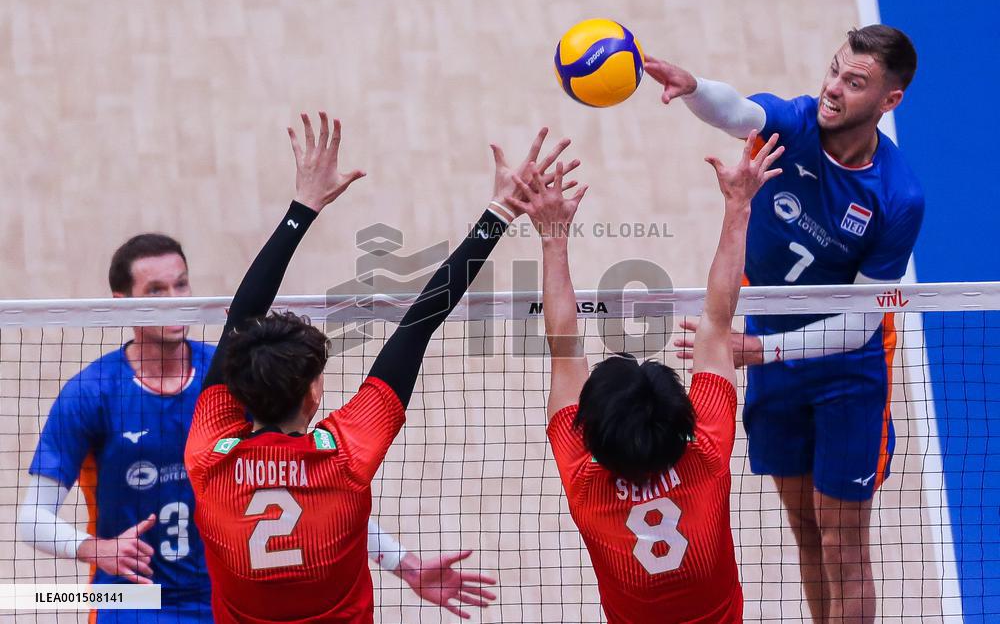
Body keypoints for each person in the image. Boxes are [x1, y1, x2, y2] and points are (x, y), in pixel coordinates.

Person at [184, 113, 580, 622]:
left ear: (237, 388)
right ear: (312, 394)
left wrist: (301, 208)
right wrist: (499, 211)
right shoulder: (347, 457)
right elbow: (418, 325)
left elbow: (241, 320)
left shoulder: (208, 459)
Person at [18, 233, 495, 622]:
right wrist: (90, 547)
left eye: (181, 285)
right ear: (121, 303)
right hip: (135, 603)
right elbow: (30, 518)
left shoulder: (226, 384)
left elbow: (310, 502)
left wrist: (401, 561)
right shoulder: (91, 394)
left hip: (226, 596)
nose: (175, 301)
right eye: (156, 291)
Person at [645, 24, 923, 622]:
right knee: (804, 530)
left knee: (843, 545)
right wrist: (692, 87)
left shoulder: (897, 197)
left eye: (855, 83)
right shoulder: (794, 125)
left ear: (889, 100)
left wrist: (761, 351)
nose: (832, 89)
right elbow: (738, 110)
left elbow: (860, 327)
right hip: (769, 354)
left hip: (846, 372)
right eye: (834, 70)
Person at [509, 132, 784, 623]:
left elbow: (564, 349)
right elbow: (717, 323)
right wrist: (738, 206)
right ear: (683, 422)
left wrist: (552, 236)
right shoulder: (706, 457)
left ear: (588, 432)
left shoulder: (585, 485)